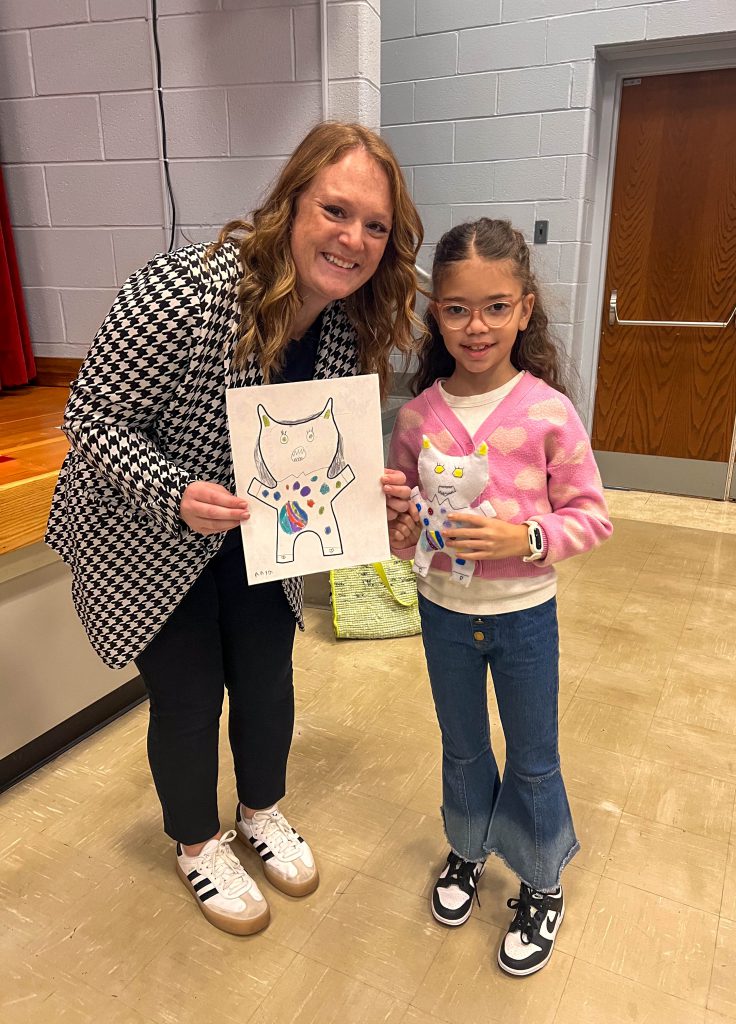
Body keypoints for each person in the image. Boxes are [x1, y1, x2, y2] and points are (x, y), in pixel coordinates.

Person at [46, 121, 422, 936]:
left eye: (376, 225)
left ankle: (260, 811)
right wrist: (173, 491)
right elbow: (91, 416)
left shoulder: (345, 325)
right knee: (186, 698)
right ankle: (196, 844)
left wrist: (367, 499)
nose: (354, 239)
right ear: (291, 204)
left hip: (258, 536)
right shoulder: (180, 293)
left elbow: (318, 453)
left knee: (267, 679)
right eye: (336, 209)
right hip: (147, 531)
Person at [387, 218, 612, 976]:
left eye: (494, 307)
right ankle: (467, 848)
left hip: (523, 619)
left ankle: (542, 879)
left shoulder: (548, 412)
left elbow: (592, 515)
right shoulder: (417, 418)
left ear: (524, 308)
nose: (475, 326)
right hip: (442, 615)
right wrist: (393, 523)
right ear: (434, 314)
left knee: (535, 758)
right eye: (455, 309)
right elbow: (404, 531)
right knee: (461, 745)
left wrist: (528, 540)